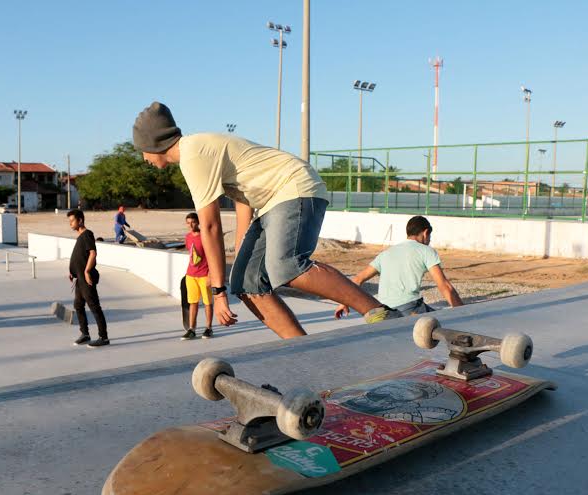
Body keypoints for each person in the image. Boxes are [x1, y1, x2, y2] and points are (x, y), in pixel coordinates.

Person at [133, 101, 399, 340]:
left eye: (143, 152)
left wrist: (218, 291)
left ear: (153, 143)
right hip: (272, 200)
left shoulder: (192, 156)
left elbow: (211, 226)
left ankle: (378, 312)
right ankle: (302, 349)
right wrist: (240, 254)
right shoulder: (200, 149)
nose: (144, 159)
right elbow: (242, 200)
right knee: (247, 283)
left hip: (293, 188)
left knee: (285, 266)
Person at [335, 216, 463, 318]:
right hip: (410, 308)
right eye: (429, 236)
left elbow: (358, 279)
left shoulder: (386, 253)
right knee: (447, 323)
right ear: (426, 232)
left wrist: (343, 302)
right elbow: (444, 286)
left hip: (384, 311)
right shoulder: (426, 251)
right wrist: (465, 313)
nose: (429, 240)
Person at [67, 209, 109, 348]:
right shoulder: (80, 236)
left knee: (94, 306)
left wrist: (86, 271)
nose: (70, 224)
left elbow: (93, 253)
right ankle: (85, 334)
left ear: (80, 220)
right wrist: (73, 272)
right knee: (78, 305)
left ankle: (103, 337)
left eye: (72, 221)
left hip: (86, 278)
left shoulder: (87, 234)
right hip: (78, 278)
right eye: (69, 221)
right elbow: (81, 257)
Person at [181, 212, 213, 340]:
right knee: (192, 302)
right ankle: (191, 329)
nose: (191, 225)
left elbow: (211, 256)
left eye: (193, 222)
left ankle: (208, 328)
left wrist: (211, 274)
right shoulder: (188, 237)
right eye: (188, 223)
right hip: (191, 275)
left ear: (198, 222)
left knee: (207, 303)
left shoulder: (205, 236)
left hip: (204, 274)